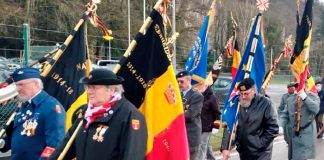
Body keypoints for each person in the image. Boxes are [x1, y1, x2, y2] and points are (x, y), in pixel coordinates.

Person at [50, 68, 147, 160]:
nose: (89, 91)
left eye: (94, 88)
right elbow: (66, 146)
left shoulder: (129, 115)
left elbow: (133, 155)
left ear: (111, 89)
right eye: (88, 87)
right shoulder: (87, 112)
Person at [0, 67, 66, 160]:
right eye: (16, 85)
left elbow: (55, 145)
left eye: (21, 85)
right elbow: (21, 134)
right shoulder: (25, 105)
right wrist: (3, 143)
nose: (18, 89)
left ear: (35, 84)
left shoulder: (51, 107)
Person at [221, 78, 279, 160]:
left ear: (254, 91)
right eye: (241, 94)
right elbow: (229, 125)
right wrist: (225, 147)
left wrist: (259, 144)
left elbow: (273, 128)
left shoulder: (266, 104)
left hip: (261, 154)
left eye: (246, 94)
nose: (243, 97)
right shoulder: (237, 104)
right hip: (243, 152)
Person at [280, 80, 320, 160]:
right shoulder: (290, 99)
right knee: (294, 156)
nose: (297, 88)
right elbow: (285, 114)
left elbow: (315, 109)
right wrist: (281, 126)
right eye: (296, 86)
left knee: (302, 157)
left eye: (299, 85)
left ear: (305, 86)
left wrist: (305, 98)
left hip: (306, 133)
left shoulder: (313, 97)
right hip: (294, 134)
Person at [176, 70, 203, 160]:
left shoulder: (197, 96)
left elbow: (190, 114)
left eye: (181, 81)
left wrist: (173, 115)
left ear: (189, 80)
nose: (179, 83)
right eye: (177, 81)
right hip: (178, 136)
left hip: (190, 137)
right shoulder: (176, 95)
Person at [196, 83, 221, 160]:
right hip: (196, 126)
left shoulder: (212, 97)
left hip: (207, 127)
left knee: (201, 146)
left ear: (206, 86)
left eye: (200, 85)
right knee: (206, 146)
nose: (198, 87)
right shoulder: (196, 96)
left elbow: (217, 113)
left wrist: (216, 127)